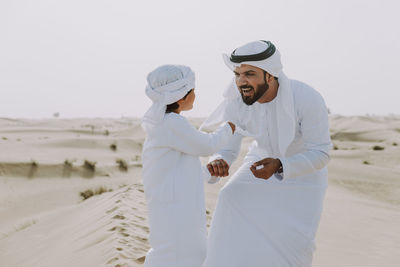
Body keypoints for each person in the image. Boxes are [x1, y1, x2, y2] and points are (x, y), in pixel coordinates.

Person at [201, 40, 332, 267]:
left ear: (270, 75)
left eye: (250, 74)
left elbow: (321, 153)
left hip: (304, 174)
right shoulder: (236, 99)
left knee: (294, 246)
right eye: (238, 74)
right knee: (230, 197)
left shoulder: (306, 98)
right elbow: (228, 145)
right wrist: (218, 159)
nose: (241, 81)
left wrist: (281, 165)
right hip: (259, 161)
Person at [141, 64, 236, 267]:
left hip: (177, 209)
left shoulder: (164, 124)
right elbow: (207, 145)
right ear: (182, 96)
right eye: (193, 91)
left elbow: (178, 171)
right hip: (177, 214)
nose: (195, 95)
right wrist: (230, 126)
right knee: (178, 255)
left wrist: (209, 173)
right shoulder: (171, 123)